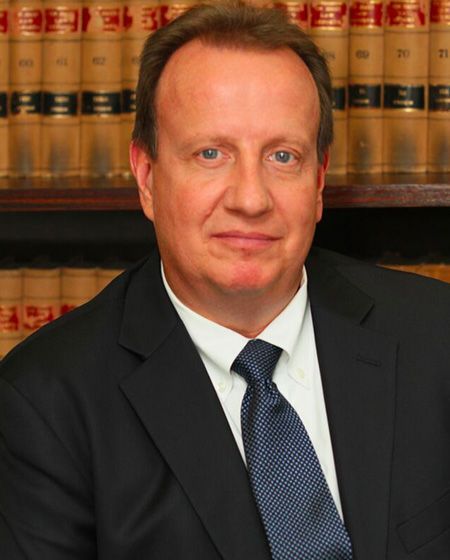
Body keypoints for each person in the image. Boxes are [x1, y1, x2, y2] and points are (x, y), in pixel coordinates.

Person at [1, 2, 449, 559]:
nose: (250, 199)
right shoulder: (45, 402)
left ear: (318, 182)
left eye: (282, 156)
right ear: (146, 177)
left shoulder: (437, 337)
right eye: (211, 154)